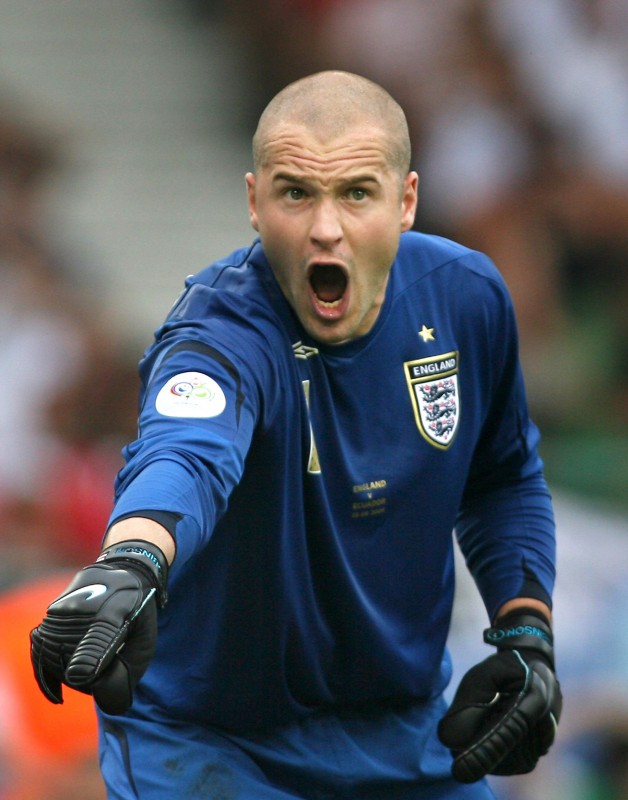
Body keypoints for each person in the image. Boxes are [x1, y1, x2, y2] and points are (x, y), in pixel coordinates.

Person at [30, 71, 562, 799]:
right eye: (295, 192)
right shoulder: (220, 331)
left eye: (356, 193)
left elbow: (502, 477)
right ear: (255, 202)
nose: (324, 228)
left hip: (402, 731)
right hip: (212, 743)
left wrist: (526, 628)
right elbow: (185, 452)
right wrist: (131, 561)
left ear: (405, 200)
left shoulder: (466, 297)